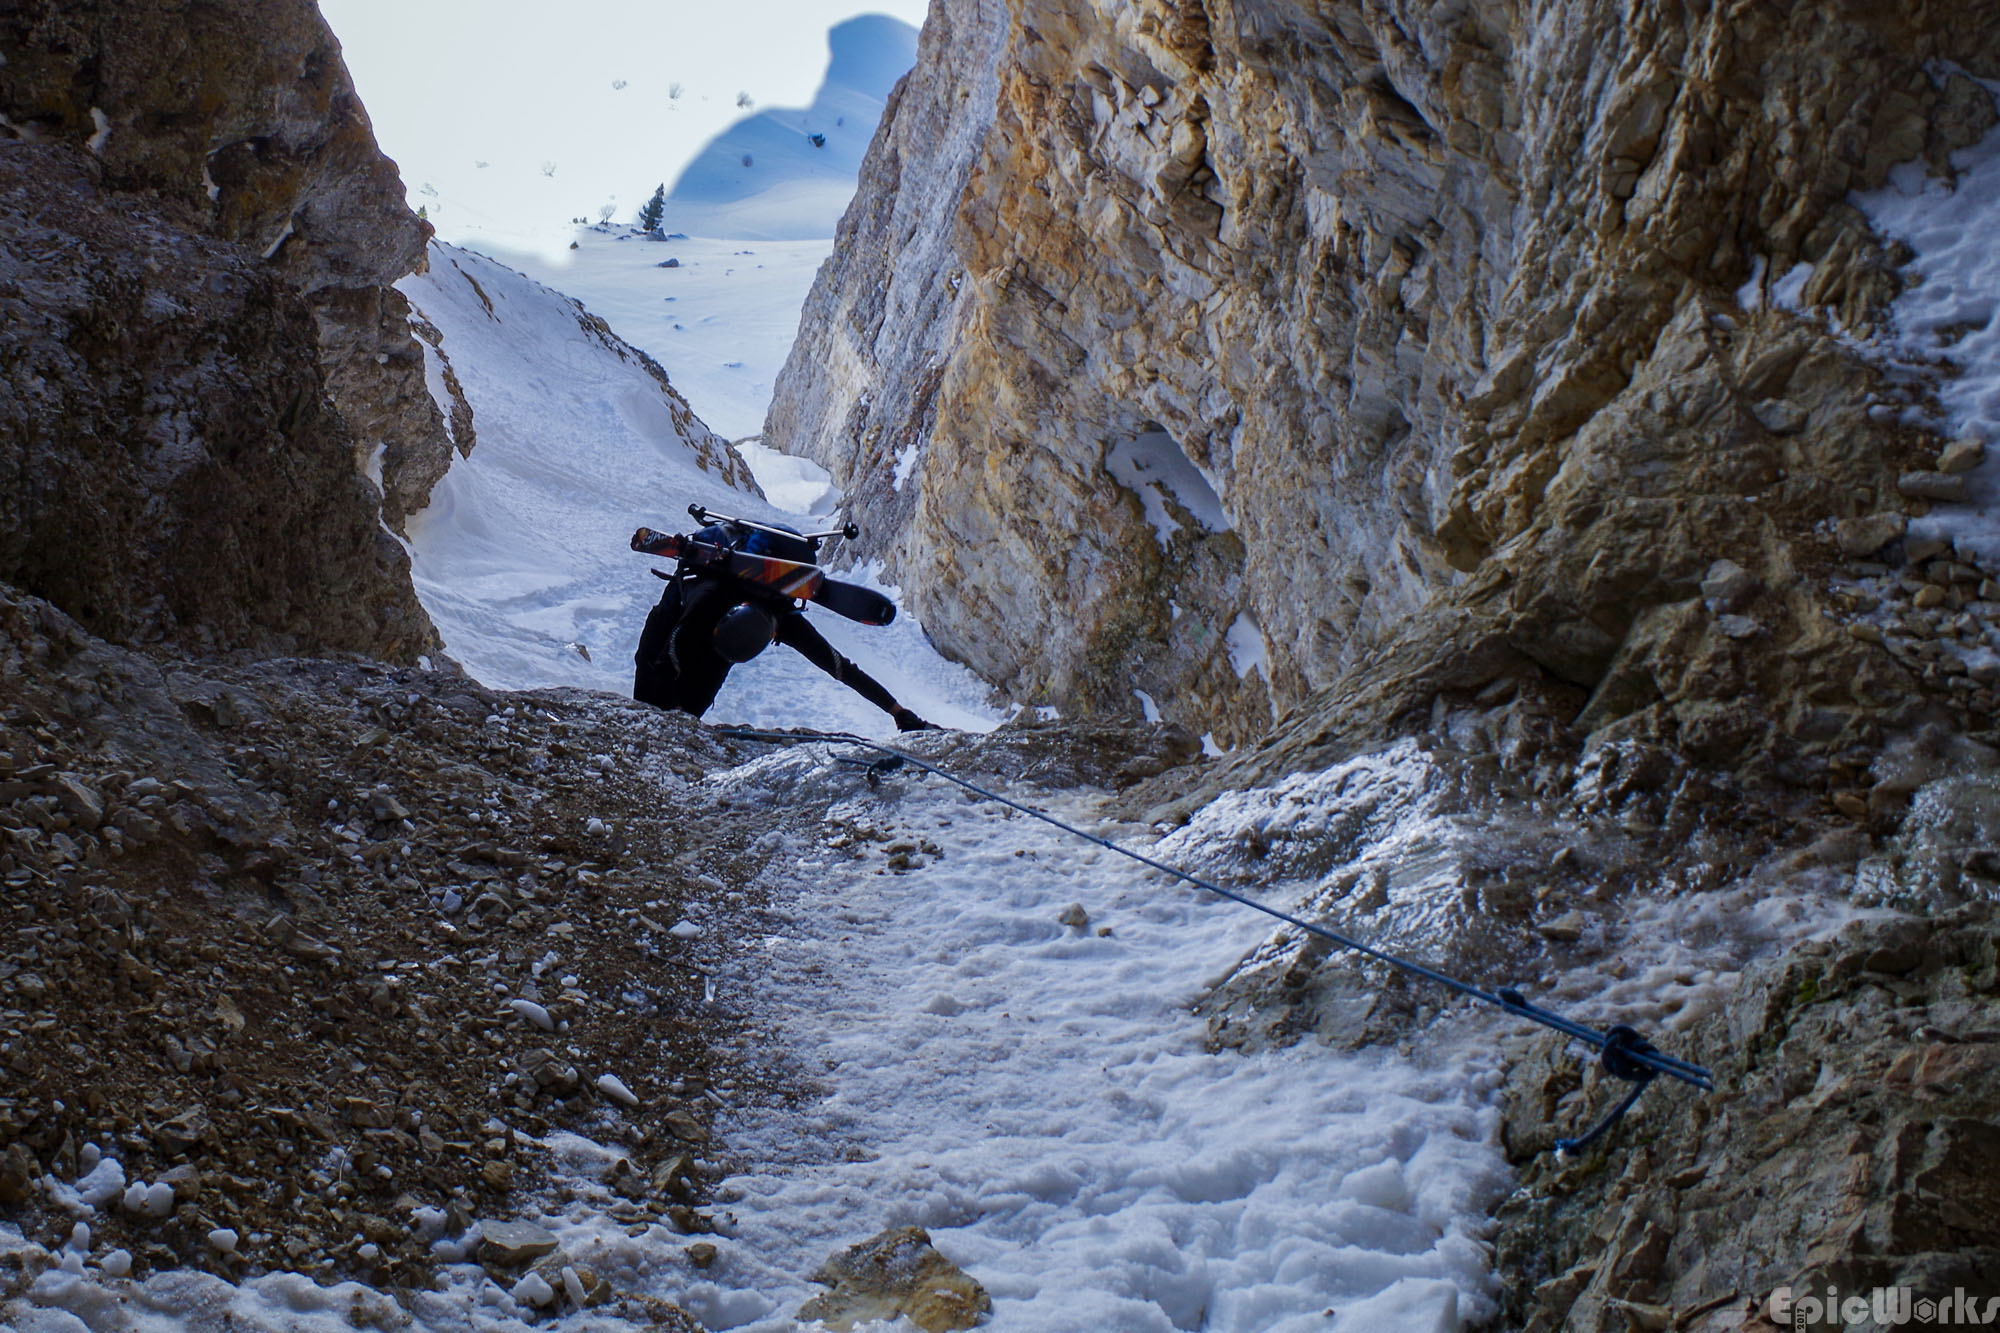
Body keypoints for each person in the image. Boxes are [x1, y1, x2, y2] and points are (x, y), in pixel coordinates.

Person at [634, 522, 938, 731]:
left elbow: (836, 664)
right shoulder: (707, 598)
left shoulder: (780, 615)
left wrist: (898, 713)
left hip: (712, 641)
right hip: (681, 614)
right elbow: (666, 653)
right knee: (657, 693)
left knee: (682, 706)